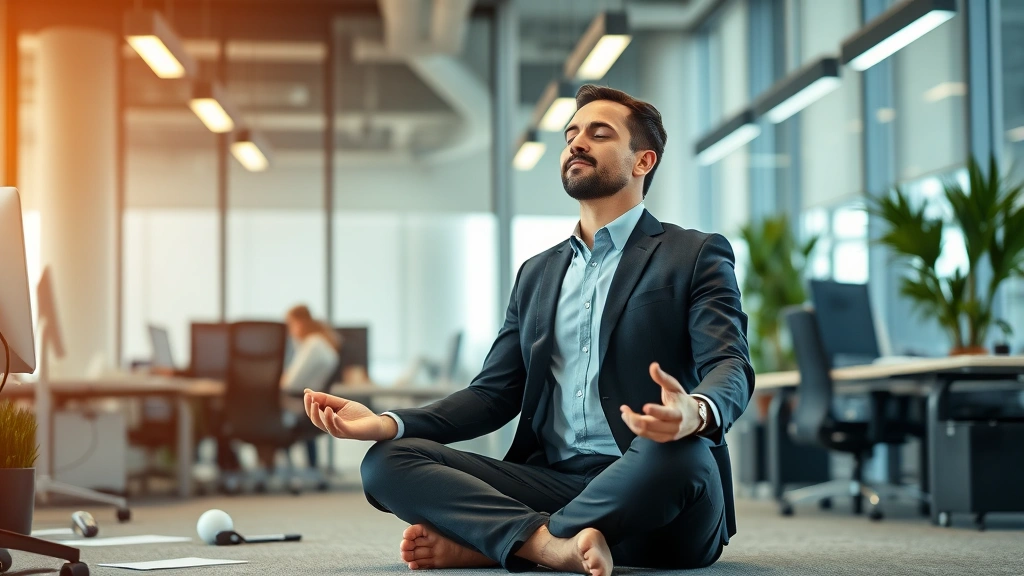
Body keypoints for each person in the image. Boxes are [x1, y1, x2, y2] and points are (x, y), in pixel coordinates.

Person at [303, 85, 754, 576]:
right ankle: (549, 545)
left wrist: (697, 411)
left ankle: (504, 541)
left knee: (680, 452)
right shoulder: (536, 273)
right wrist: (389, 423)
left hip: (654, 486)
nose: (577, 143)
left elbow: (730, 363)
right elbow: (493, 395)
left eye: (599, 134)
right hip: (553, 479)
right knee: (388, 461)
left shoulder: (694, 254)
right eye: (571, 134)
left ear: (643, 162)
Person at [279, 304, 341, 469]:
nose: (289, 331)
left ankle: (270, 466)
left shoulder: (312, 344)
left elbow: (290, 383)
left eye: (290, 325)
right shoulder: (320, 342)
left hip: (301, 404)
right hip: (310, 403)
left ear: (299, 323)